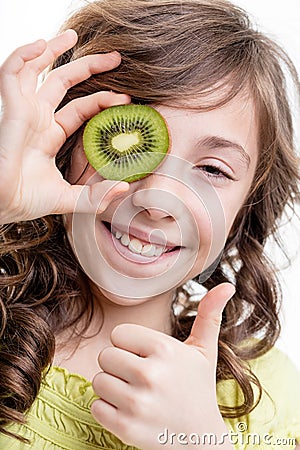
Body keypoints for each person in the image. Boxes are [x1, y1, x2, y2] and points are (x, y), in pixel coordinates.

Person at [0, 0, 299, 448]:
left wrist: (198, 441)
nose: (158, 202)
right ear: (64, 148)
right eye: (129, 144)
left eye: (213, 169)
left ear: (247, 205)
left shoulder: (269, 393)